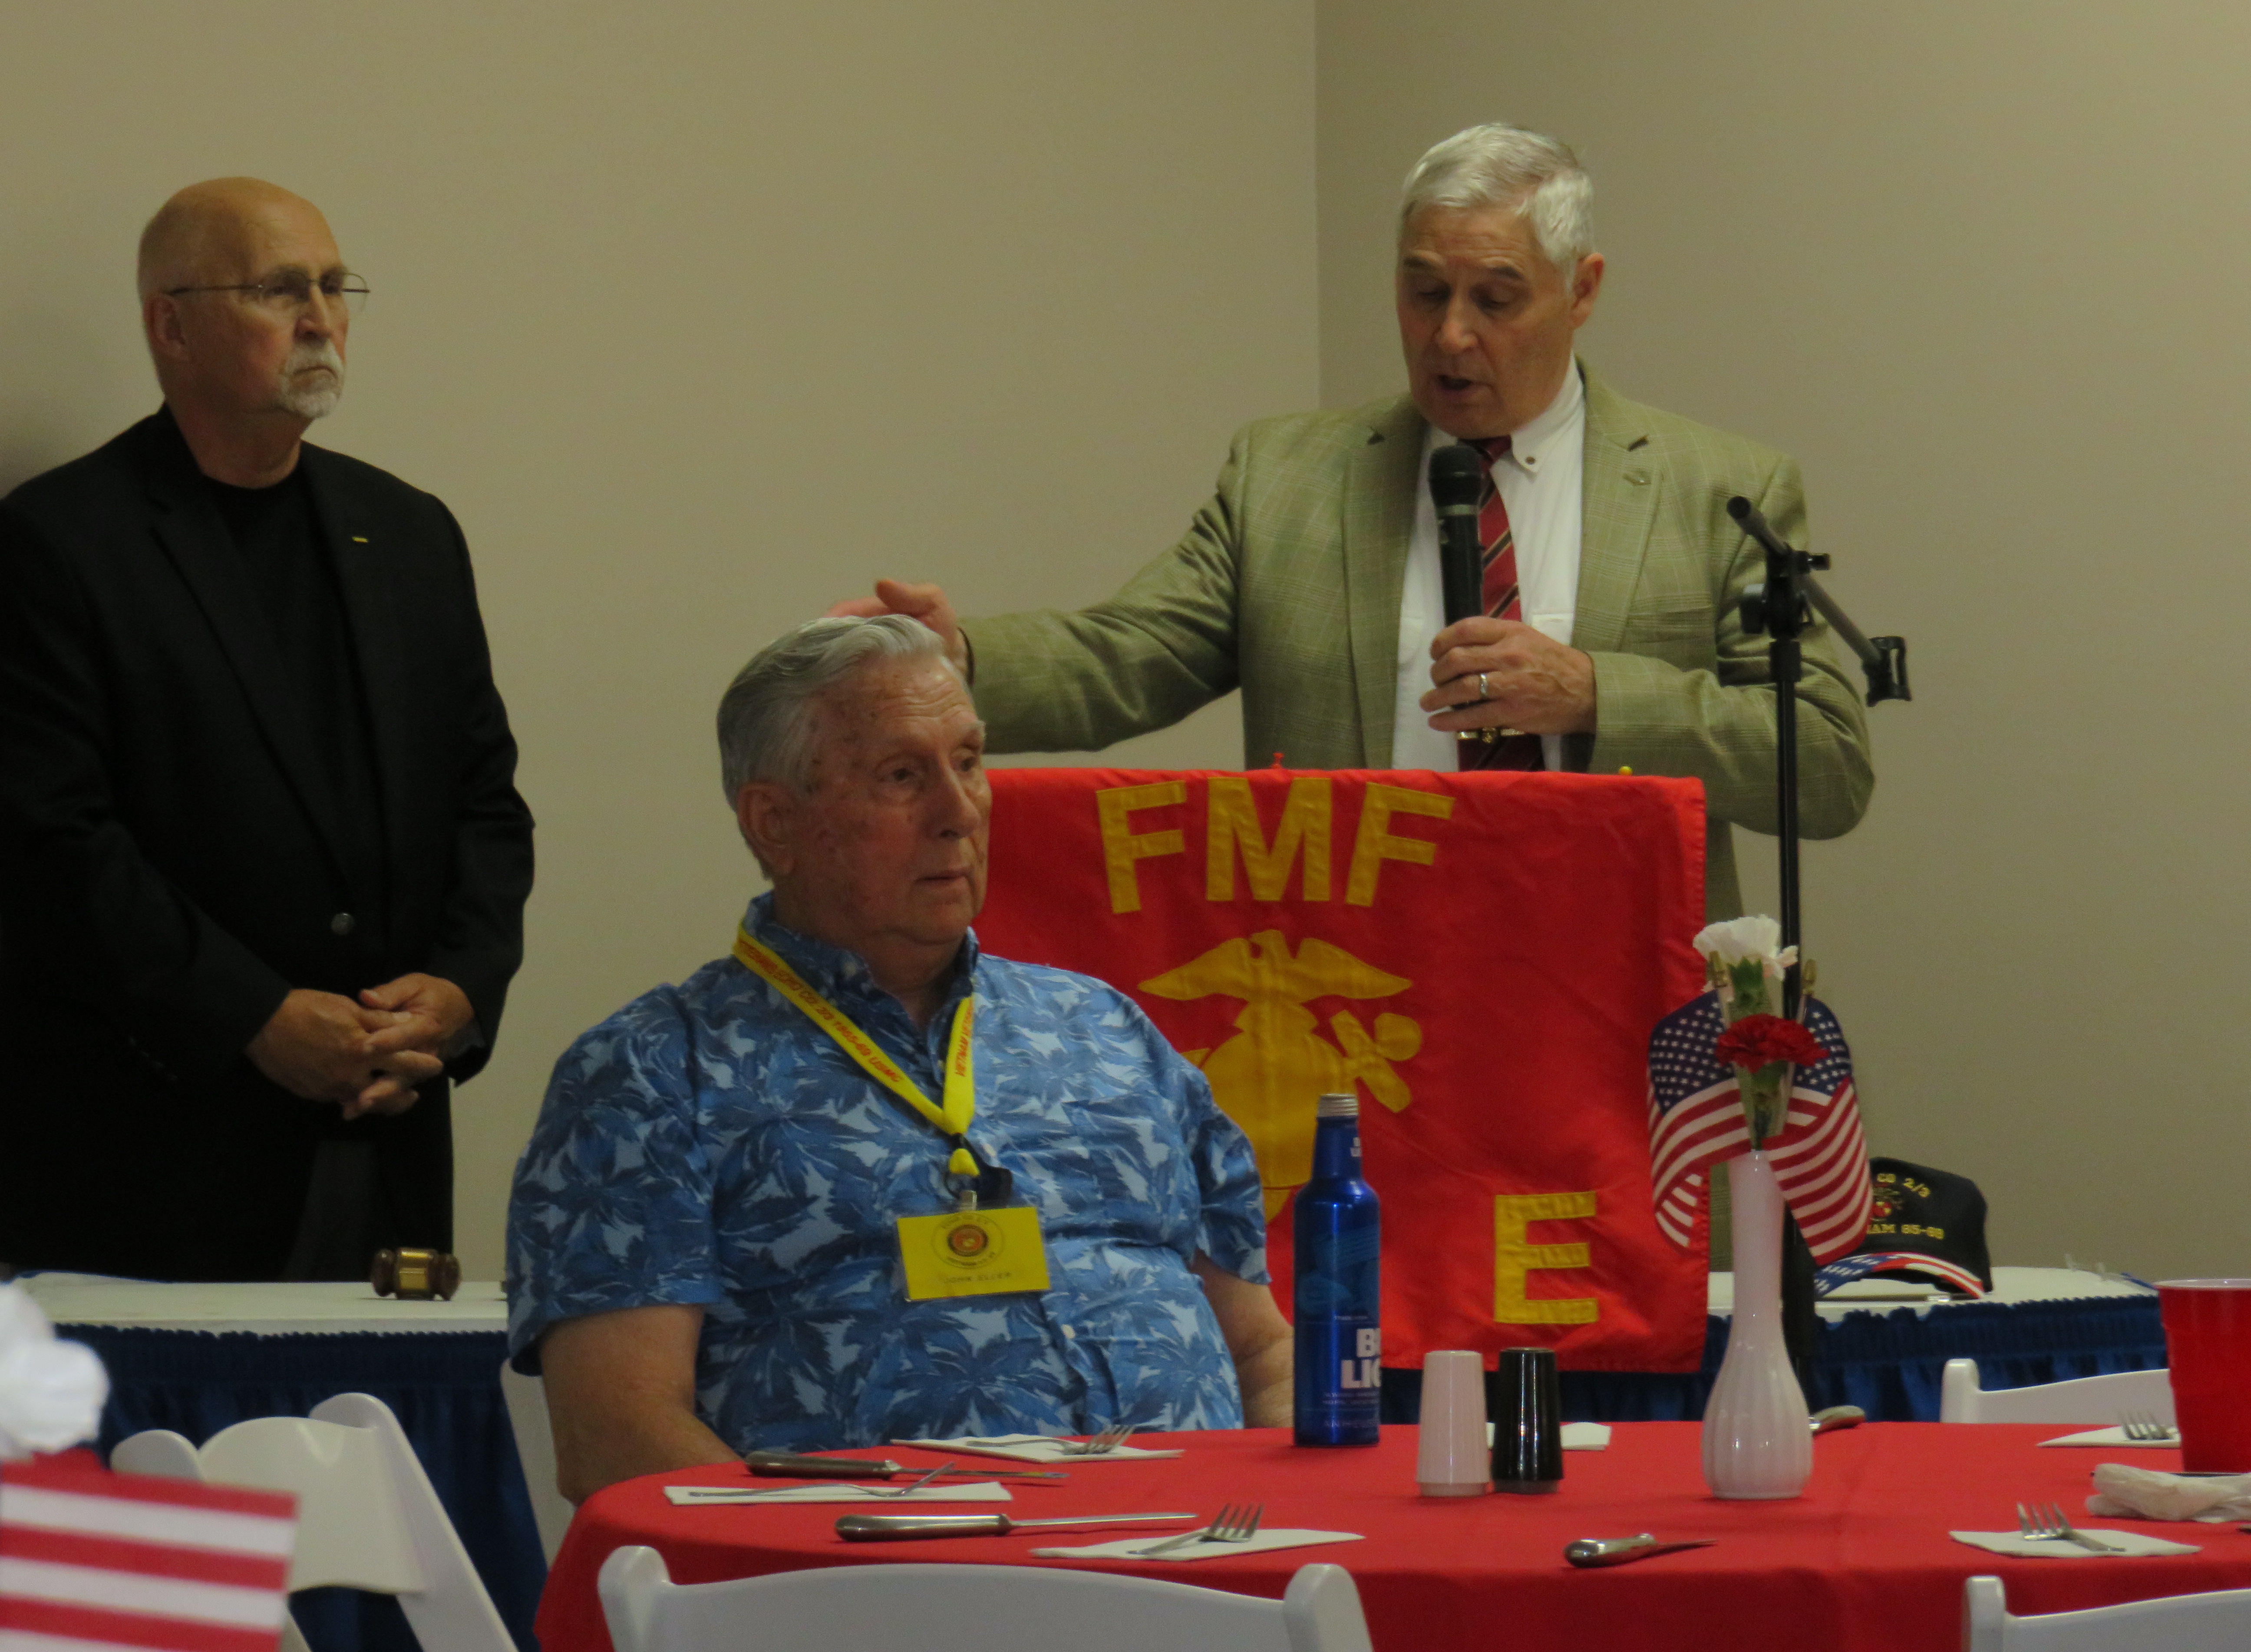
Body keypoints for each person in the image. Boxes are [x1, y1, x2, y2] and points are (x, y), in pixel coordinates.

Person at [836, 124, 1874, 920]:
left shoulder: (1719, 490)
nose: (1450, 335)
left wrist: (1597, 694)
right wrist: (956, 663)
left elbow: (1825, 767)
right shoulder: (1287, 478)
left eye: (1495, 299)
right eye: (1424, 293)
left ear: (1582, 290)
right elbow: (1130, 655)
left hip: (1611, 995)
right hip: (1353, 986)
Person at [507, 616, 1287, 1501]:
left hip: (1201, 1547)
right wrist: (854, 1561)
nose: (960, 812)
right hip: (881, 1566)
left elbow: (1263, 1351)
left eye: (969, 761)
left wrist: (1286, 1520)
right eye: (902, 777)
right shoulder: (651, 1072)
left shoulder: (1103, 1027)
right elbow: (618, 1438)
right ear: (775, 822)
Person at [0, 178, 535, 1281]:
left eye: (335, 287)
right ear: (171, 326)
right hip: (154, 1159)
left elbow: (485, 800)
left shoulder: (411, 531)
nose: (322, 318)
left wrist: (459, 992)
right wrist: (251, 1016)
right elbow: (50, 841)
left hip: (388, 1143)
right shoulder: (58, 543)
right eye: (281, 290)